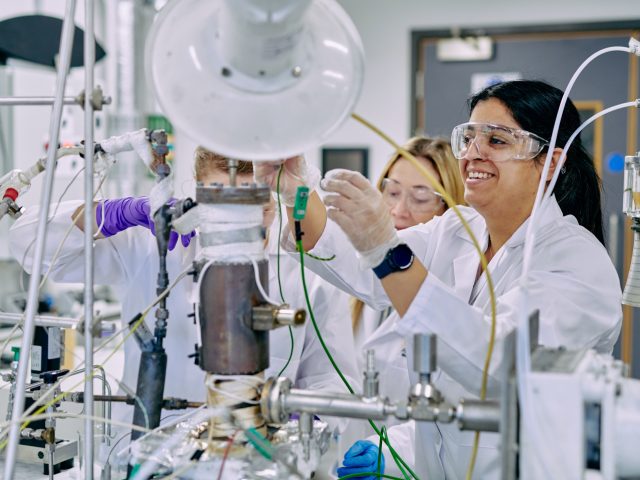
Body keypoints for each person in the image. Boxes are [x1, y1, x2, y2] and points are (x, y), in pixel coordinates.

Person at [253, 80, 622, 479]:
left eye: (496, 140)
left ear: (550, 162)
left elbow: (495, 361)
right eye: (468, 137)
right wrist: (297, 195)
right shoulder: (456, 230)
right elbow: (361, 264)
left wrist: (385, 249)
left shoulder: (577, 262)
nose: (472, 154)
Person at [9, 147, 358, 457]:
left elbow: (336, 383)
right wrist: (113, 214)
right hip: (147, 451)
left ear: (273, 200)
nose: (234, 219)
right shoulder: (153, 243)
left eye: (253, 202)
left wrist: (300, 419)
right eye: (219, 201)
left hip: (259, 459)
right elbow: (27, 246)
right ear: (196, 189)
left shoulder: (304, 269)